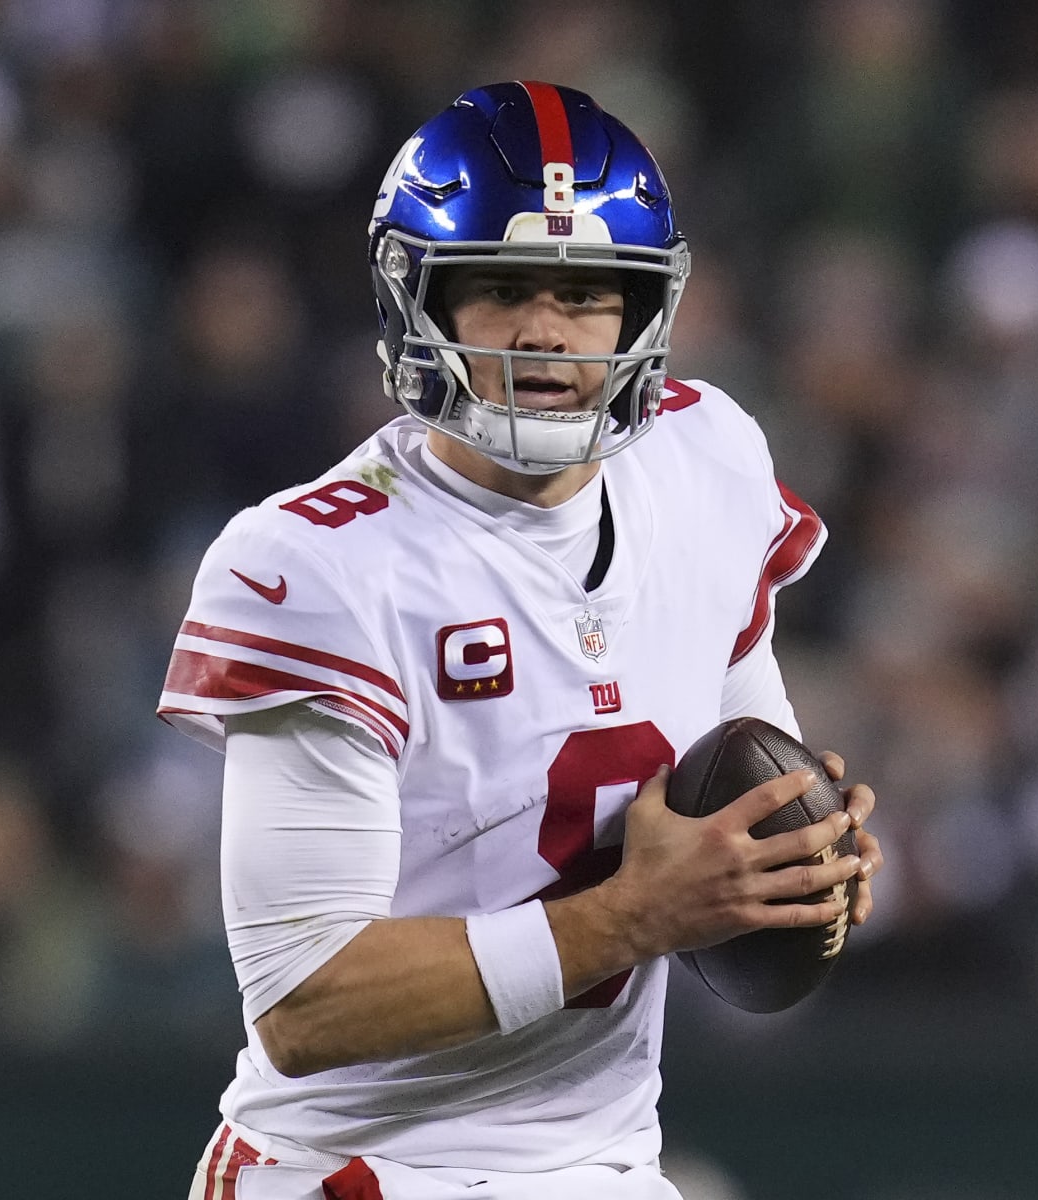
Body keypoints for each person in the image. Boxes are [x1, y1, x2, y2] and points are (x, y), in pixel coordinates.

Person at [158, 81, 884, 1200]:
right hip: (360, 1170)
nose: (545, 330)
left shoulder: (704, 460)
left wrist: (790, 855)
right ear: (419, 300)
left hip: (602, 1165)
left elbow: (740, 752)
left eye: (586, 293)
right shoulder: (321, 563)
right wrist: (633, 913)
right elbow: (305, 1004)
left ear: (642, 311)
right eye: (500, 288)